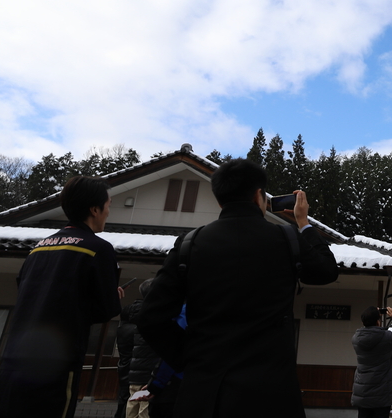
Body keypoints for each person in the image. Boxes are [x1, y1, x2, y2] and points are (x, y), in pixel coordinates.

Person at [136, 158, 339, 418]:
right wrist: (304, 224)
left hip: (204, 391)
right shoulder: (286, 239)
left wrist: (189, 358)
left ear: (220, 200)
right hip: (272, 391)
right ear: (259, 196)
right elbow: (326, 271)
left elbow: (151, 318)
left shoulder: (190, 242)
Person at [0, 176, 123, 418]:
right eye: (108, 205)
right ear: (94, 209)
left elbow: (26, 292)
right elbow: (105, 310)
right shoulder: (98, 248)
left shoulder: (39, 247)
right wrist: (114, 297)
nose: (109, 211)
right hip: (55, 367)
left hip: (12, 362)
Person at [351, 306, 392, 418]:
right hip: (382, 392)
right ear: (378, 322)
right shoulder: (386, 338)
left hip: (363, 390)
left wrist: (372, 314)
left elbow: (370, 331)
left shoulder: (356, 338)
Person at [127, 279, 161, 418]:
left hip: (134, 373)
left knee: (132, 408)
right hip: (150, 373)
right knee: (144, 411)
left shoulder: (136, 316)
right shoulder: (158, 315)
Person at [115, 305, 136, 418]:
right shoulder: (135, 330)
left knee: (122, 398)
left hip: (123, 365)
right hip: (133, 368)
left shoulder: (121, 329)